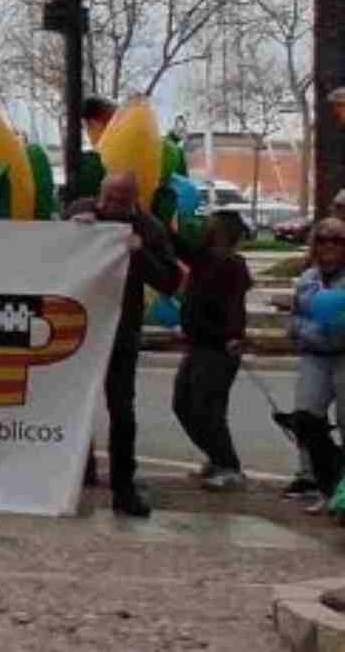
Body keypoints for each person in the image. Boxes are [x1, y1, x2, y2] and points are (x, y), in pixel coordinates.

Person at [67, 171, 181, 517]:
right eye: (108, 198)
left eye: (121, 199)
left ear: (134, 198)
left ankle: (124, 487)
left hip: (121, 330)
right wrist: (70, 231)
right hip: (78, 328)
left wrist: (140, 253)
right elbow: (50, 253)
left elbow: (170, 280)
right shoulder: (81, 211)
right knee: (71, 405)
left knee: (122, 412)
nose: (112, 205)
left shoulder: (149, 228)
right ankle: (74, 472)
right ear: (99, 192)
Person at [170, 210, 252, 492]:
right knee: (182, 403)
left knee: (208, 408)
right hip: (197, 345)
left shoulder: (233, 266)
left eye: (211, 226)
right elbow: (174, 243)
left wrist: (233, 335)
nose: (204, 229)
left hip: (218, 347)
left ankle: (229, 465)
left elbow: (234, 305)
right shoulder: (202, 260)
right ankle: (217, 458)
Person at [289, 217, 345, 510]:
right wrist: (311, 331)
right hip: (314, 357)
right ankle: (315, 480)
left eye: (337, 240)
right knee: (307, 417)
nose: (329, 246)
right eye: (322, 239)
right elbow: (295, 319)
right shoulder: (308, 278)